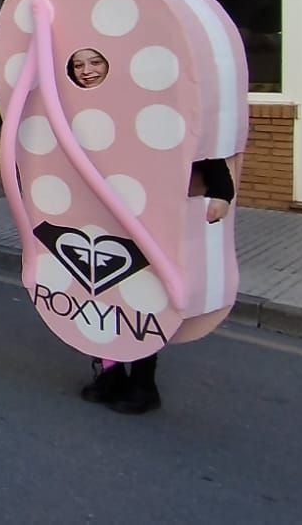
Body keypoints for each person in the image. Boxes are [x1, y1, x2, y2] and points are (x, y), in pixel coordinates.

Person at [80, 157, 234, 415]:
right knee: (104, 298)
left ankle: (143, 382)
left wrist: (221, 193)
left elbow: (209, 157)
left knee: (143, 303)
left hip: (157, 225)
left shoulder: (184, 131)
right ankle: (111, 372)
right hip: (109, 215)